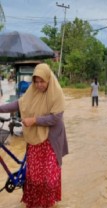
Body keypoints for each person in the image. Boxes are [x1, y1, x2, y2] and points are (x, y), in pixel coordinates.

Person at [0, 63, 68, 208]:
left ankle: (49, 204)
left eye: (42, 81)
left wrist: (35, 120)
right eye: (36, 81)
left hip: (51, 138)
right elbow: (18, 104)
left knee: (49, 179)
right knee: (34, 179)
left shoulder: (56, 94)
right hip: (35, 140)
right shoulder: (32, 92)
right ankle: (35, 203)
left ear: (48, 79)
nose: (39, 85)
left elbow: (56, 118)